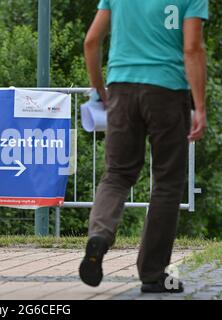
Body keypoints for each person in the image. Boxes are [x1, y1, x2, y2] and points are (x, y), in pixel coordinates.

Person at [80, 0, 208, 293]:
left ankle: (99, 236)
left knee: (117, 174)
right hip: (167, 91)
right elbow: (192, 49)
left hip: (122, 89)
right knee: (167, 182)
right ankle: (152, 273)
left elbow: (91, 41)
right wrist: (199, 106)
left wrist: (99, 88)